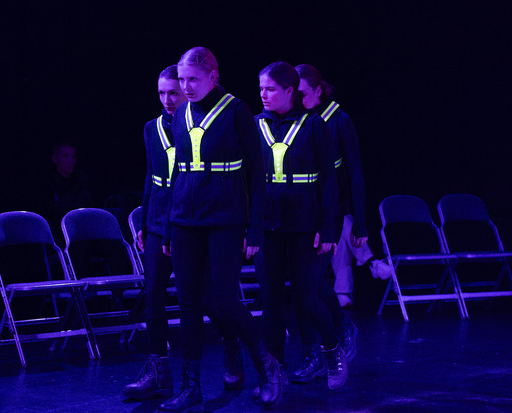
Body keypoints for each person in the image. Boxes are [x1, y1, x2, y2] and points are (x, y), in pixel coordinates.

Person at [159, 47, 281, 412]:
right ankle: (190, 386)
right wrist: (168, 227)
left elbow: (257, 176)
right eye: (182, 80)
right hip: (184, 221)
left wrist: (255, 229)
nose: (186, 86)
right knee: (188, 304)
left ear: (213, 75)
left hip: (225, 220)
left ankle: (267, 366)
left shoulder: (236, 110)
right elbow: (177, 171)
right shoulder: (181, 113)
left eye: (192, 79)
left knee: (226, 299)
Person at [254, 61, 348, 391]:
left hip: (306, 226)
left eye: (270, 89)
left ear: (290, 91)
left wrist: (329, 227)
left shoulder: (314, 126)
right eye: (261, 88)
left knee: (307, 299)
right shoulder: (256, 125)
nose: (263, 94)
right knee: (270, 304)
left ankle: (332, 350)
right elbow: (249, 181)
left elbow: (330, 180)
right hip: (267, 227)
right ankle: (274, 371)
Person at [296, 63, 392, 308]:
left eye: (302, 93)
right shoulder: (292, 119)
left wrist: (360, 222)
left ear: (319, 91)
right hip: (301, 204)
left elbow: (355, 173)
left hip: (332, 201)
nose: (297, 99)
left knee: (339, 229)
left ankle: (341, 304)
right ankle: (367, 266)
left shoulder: (338, 120)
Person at [122, 65, 187, 400]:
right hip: (160, 223)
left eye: (172, 92)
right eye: (162, 93)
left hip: (190, 222)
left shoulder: (194, 125)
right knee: (153, 297)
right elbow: (150, 176)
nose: (167, 99)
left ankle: (231, 352)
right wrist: (145, 222)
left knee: (205, 299)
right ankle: (159, 370)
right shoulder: (152, 128)